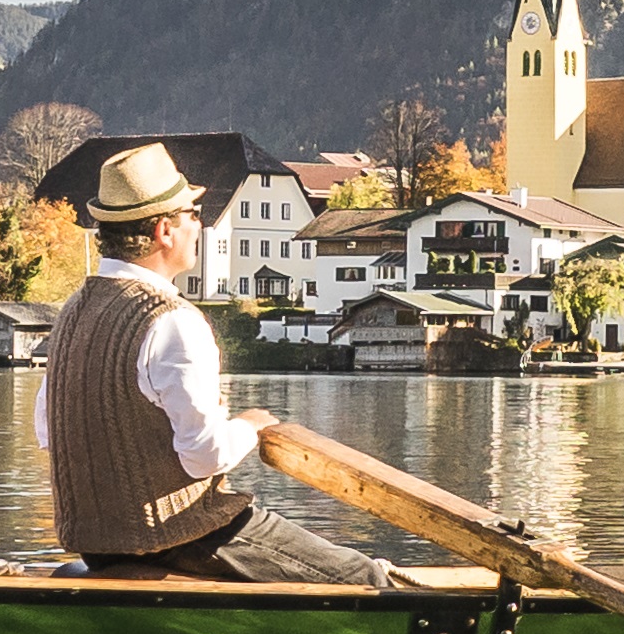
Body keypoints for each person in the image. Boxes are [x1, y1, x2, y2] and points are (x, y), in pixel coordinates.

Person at [50, 141, 384, 581]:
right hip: (181, 537)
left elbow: (48, 432)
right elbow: (204, 457)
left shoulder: (71, 314)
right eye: (192, 214)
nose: (199, 225)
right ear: (163, 231)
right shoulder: (172, 321)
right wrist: (251, 424)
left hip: (98, 545)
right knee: (361, 578)